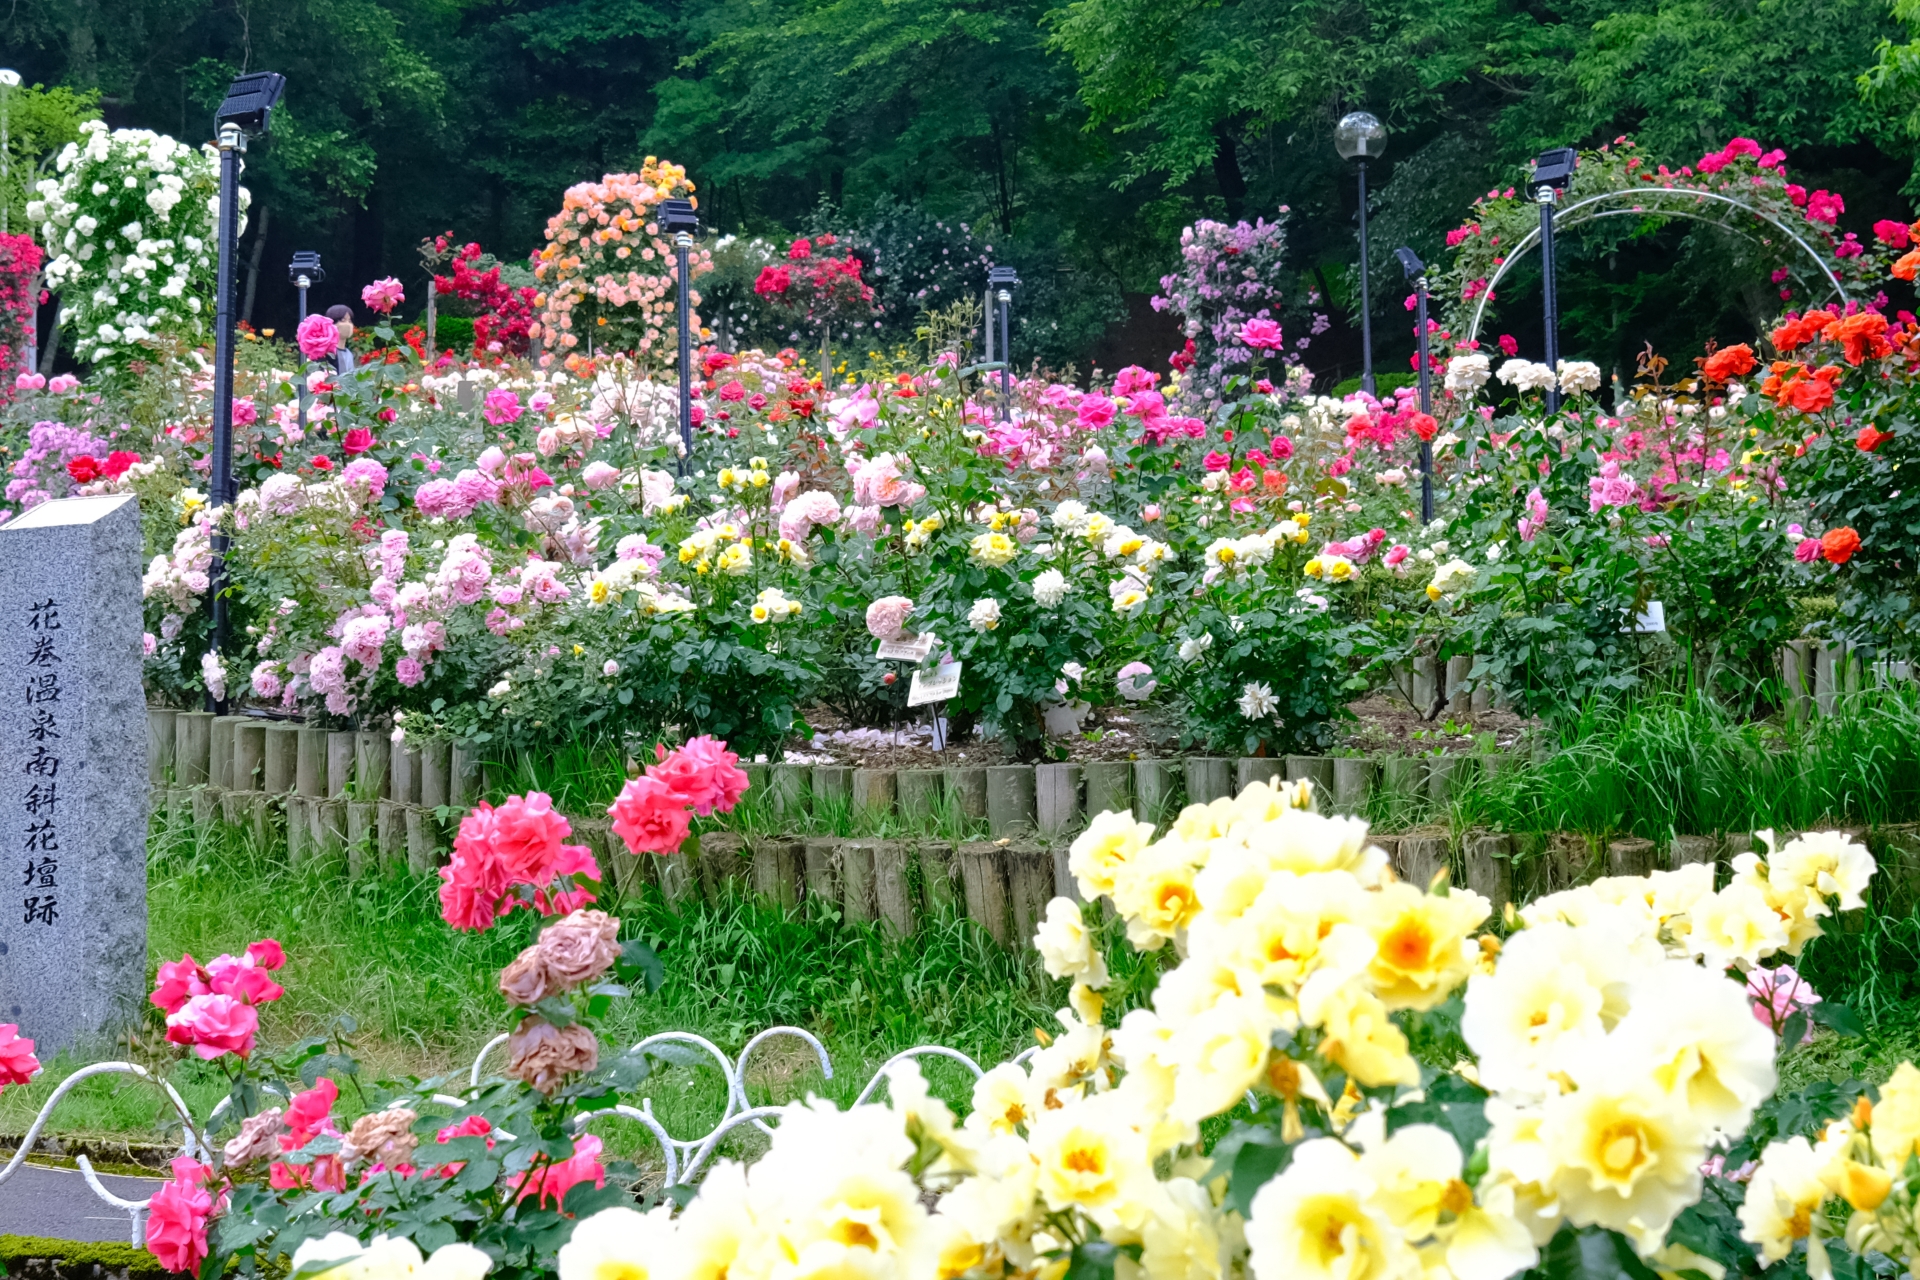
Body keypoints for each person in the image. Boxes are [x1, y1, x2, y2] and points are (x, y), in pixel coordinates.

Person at [325, 305, 356, 375]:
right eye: (343, 320)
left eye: (350, 320)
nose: (348, 324)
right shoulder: (328, 353)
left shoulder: (349, 354)